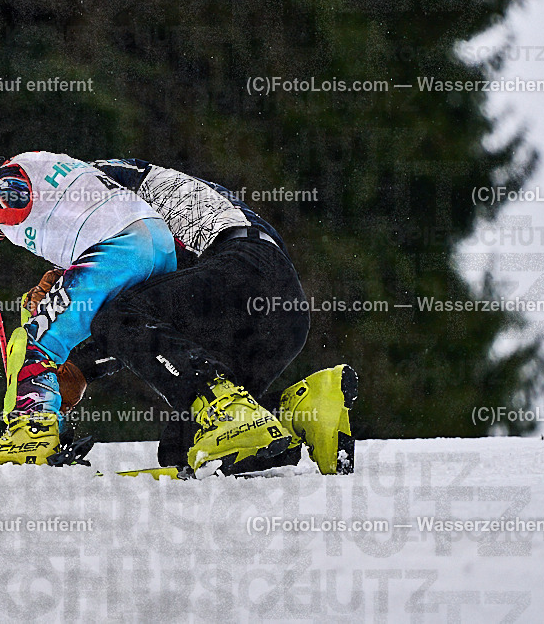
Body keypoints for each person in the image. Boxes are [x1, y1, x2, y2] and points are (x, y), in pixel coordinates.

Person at [27, 158, 356, 475]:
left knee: (116, 317)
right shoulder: (127, 233)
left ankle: (226, 407)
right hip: (278, 305)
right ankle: (301, 409)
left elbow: (120, 316)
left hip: (245, 266)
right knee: (183, 450)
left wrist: (70, 307)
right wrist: (81, 367)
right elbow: (151, 328)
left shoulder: (91, 183)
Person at [0, 139, 182, 476]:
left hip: (121, 246)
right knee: (120, 334)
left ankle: (33, 430)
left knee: (34, 341)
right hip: (156, 246)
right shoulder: (28, 166)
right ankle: (208, 409)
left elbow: (13, 204)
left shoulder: (2, 176)